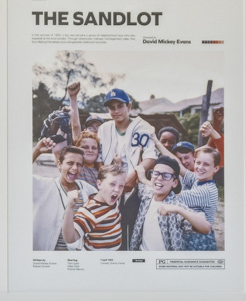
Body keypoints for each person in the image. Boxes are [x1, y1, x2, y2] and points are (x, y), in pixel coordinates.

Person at [95, 88, 157, 247]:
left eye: (119, 106)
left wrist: (133, 175)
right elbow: (99, 158)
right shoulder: (104, 128)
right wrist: (105, 180)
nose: (115, 111)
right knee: (109, 227)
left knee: (131, 228)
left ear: (129, 107)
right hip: (110, 184)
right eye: (111, 107)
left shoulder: (141, 125)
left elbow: (150, 156)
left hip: (133, 186)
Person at [129, 156, 211, 252]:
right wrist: (142, 177)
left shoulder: (176, 206)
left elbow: (206, 228)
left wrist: (178, 210)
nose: (159, 178)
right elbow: (145, 184)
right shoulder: (147, 195)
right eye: (156, 173)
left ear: (175, 182)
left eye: (166, 176)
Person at [31, 142, 97, 250]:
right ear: (59, 164)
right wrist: (37, 150)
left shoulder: (87, 189)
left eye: (79, 164)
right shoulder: (45, 186)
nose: (75, 168)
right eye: (70, 163)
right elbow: (18, 176)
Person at [62, 161, 127, 251]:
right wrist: (69, 208)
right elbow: (70, 238)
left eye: (121, 186)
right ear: (99, 184)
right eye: (112, 184)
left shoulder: (113, 199)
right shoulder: (90, 211)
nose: (117, 189)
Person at [177, 146, 221, 251]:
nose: (200, 167)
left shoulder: (206, 191)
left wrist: (145, 180)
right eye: (198, 162)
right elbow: (178, 165)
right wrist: (156, 141)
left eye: (206, 164)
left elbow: (171, 197)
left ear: (216, 168)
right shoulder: (198, 180)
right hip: (192, 236)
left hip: (198, 240)